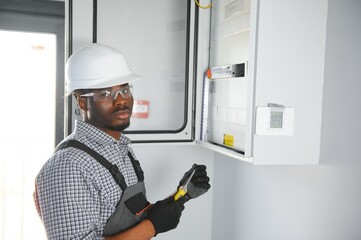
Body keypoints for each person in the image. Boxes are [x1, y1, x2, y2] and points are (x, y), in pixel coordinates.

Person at [33, 43, 210, 240]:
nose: (120, 100)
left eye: (124, 90)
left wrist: (180, 196)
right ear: (82, 102)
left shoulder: (120, 149)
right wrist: (152, 227)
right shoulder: (69, 166)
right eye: (105, 94)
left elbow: (131, 217)